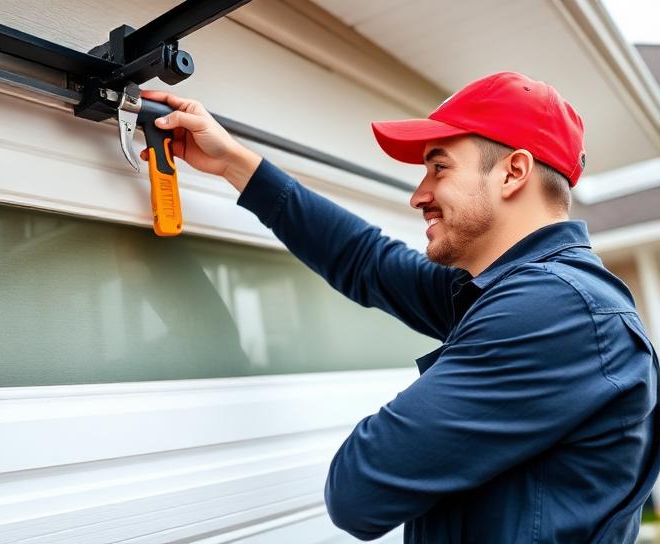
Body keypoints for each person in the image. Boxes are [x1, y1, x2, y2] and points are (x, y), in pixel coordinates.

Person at [140, 71, 660, 543]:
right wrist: (235, 163)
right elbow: (367, 260)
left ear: (513, 172)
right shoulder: (518, 292)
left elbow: (359, 490)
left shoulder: (553, 310)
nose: (419, 194)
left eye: (439, 168)